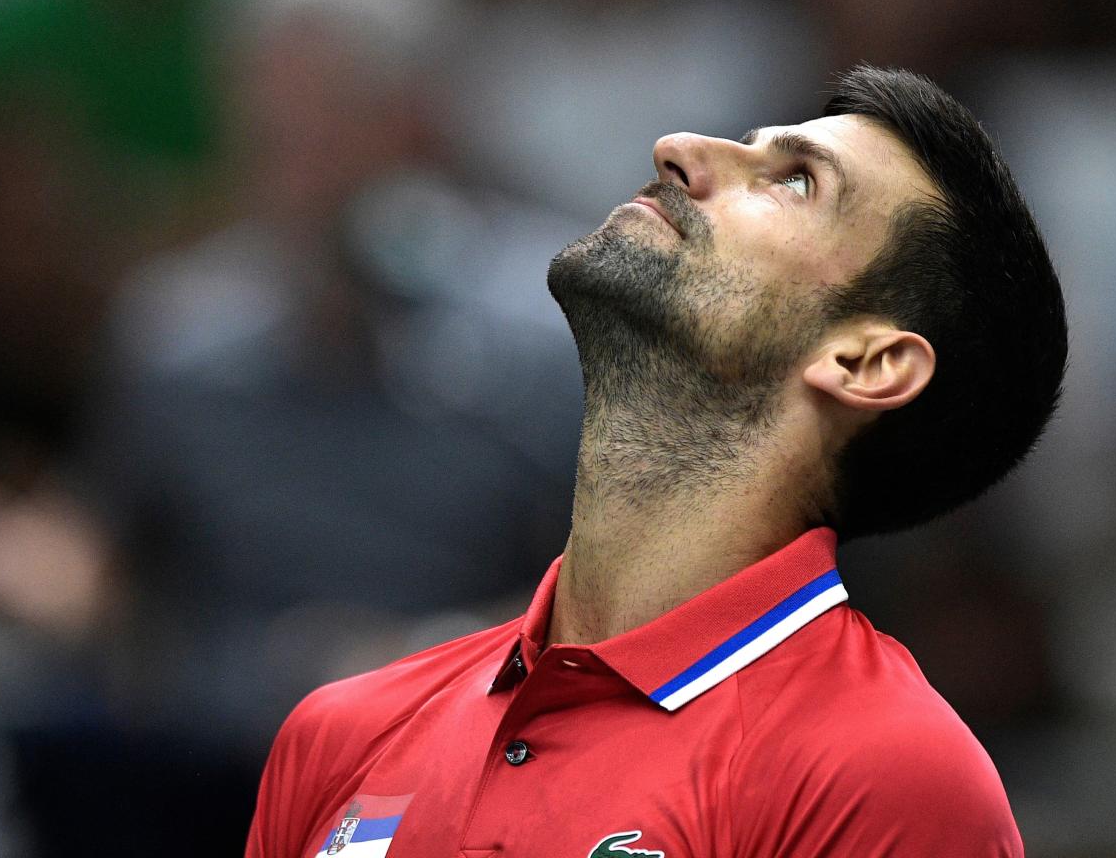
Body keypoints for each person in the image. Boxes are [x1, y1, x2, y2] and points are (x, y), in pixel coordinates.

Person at [243, 65, 1067, 858]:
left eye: (794, 181)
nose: (678, 147)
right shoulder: (340, 736)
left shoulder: (881, 774)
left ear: (864, 363)